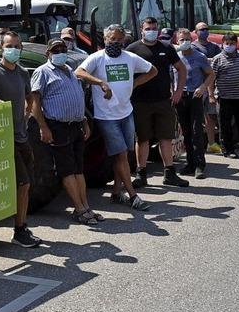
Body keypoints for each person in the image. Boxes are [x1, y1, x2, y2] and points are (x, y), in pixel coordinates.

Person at [75, 24, 157, 211]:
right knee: (120, 154)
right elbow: (79, 72)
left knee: (124, 154)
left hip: (126, 112)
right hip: (106, 116)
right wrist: (100, 83)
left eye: (120, 40)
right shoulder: (97, 58)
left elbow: (152, 71)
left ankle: (116, 192)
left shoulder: (129, 57)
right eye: (112, 39)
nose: (116, 43)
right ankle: (133, 196)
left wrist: (135, 84)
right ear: (105, 40)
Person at [31, 38, 102, 224]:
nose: (60, 52)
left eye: (63, 49)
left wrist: (84, 121)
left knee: (79, 169)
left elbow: (77, 98)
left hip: (75, 125)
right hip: (58, 127)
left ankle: (86, 207)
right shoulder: (42, 72)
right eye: (56, 50)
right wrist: (43, 127)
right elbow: (35, 103)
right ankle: (78, 209)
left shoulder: (69, 70)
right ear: (48, 54)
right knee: (67, 170)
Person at [0, 31, 42, 247]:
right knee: (23, 182)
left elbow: (29, 98)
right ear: (1, 48)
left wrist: (27, 114)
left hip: (21, 135)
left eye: (17, 46)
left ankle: (22, 227)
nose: (13, 49)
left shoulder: (23, 72)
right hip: (4, 138)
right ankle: (19, 230)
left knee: (26, 185)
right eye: (9, 45)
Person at [126, 17, 189, 188]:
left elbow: (181, 69)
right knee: (143, 139)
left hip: (163, 101)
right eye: (148, 28)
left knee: (166, 138)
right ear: (141, 29)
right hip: (140, 102)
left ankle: (169, 173)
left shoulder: (166, 48)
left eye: (154, 28)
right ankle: (141, 174)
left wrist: (178, 91)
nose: (151, 31)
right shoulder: (132, 49)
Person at [175, 28, 215, 179]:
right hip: (180, 97)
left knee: (196, 131)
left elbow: (211, 74)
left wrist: (203, 87)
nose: (185, 42)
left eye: (187, 39)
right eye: (181, 40)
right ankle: (190, 163)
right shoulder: (176, 57)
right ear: (177, 42)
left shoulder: (199, 56)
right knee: (185, 132)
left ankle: (199, 165)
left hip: (195, 96)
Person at [193, 22, 223, 154]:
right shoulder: (193, 46)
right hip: (197, 86)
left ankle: (211, 143)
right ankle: (195, 145)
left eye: (206, 29)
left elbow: (219, 61)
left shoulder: (214, 47)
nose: (205, 31)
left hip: (212, 84)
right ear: (196, 31)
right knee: (196, 118)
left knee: (211, 116)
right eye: (201, 29)